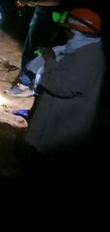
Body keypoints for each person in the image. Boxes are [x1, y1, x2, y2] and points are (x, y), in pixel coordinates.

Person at [23, 8, 105, 153]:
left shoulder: (86, 59)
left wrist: (50, 61)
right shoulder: (86, 50)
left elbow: (60, 87)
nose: (66, 34)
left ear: (76, 32)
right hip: (59, 121)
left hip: (61, 129)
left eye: (68, 30)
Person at [8, 0, 73, 97]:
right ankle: (26, 82)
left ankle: (27, 85)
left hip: (48, 21)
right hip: (44, 18)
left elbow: (56, 0)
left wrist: (32, 2)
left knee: (36, 51)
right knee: (32, 49)